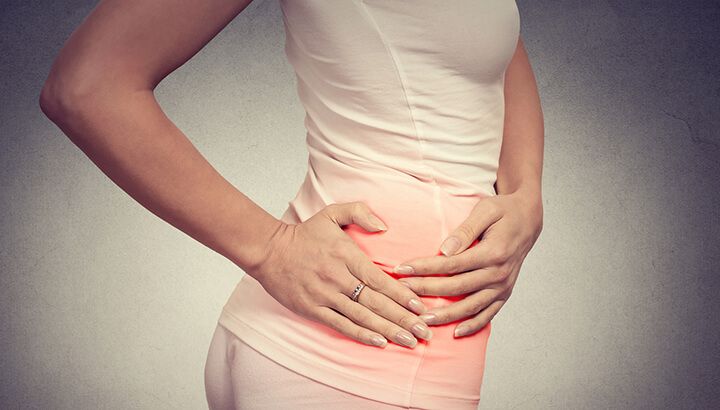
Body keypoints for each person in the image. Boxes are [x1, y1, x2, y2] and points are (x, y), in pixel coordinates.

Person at [39, 0, 544, 409]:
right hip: (363, 361)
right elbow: (87, 87)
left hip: (343, 353)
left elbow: (494, 52)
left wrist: (526, 195)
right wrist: (272, 248)